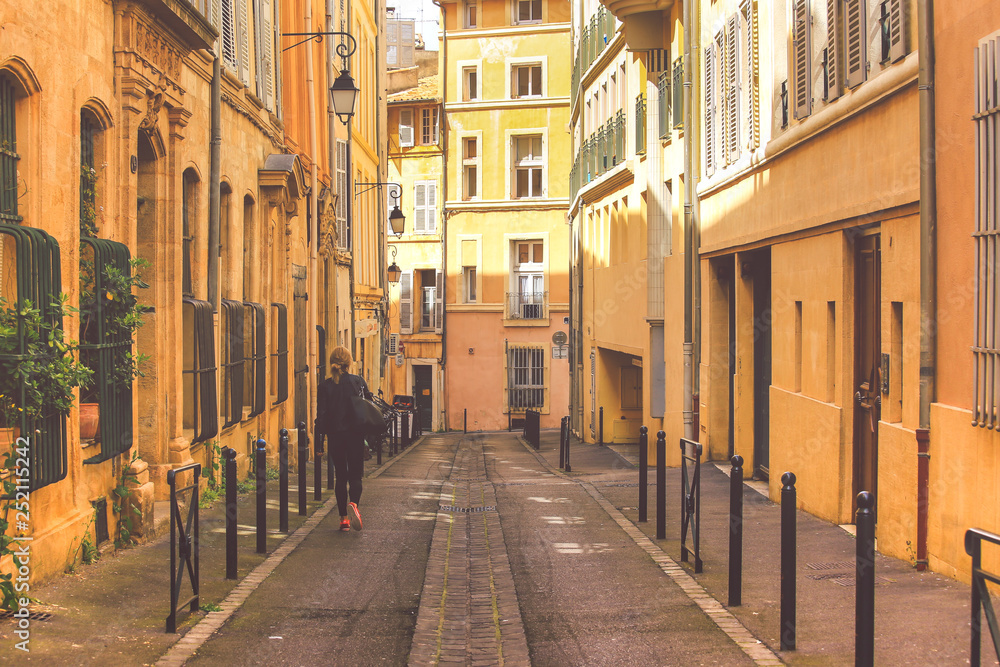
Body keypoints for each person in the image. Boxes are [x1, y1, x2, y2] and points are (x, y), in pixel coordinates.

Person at [316, 345, 371, 532]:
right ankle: (354, 504)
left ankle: (343, 519)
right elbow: (367, 408)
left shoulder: (324, 386)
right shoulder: (358, 382)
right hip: (356, 436)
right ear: (349, 362)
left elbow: (321, 416)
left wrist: (319, 443)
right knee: (356, 476)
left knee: (341, 477)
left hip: (335, 437)